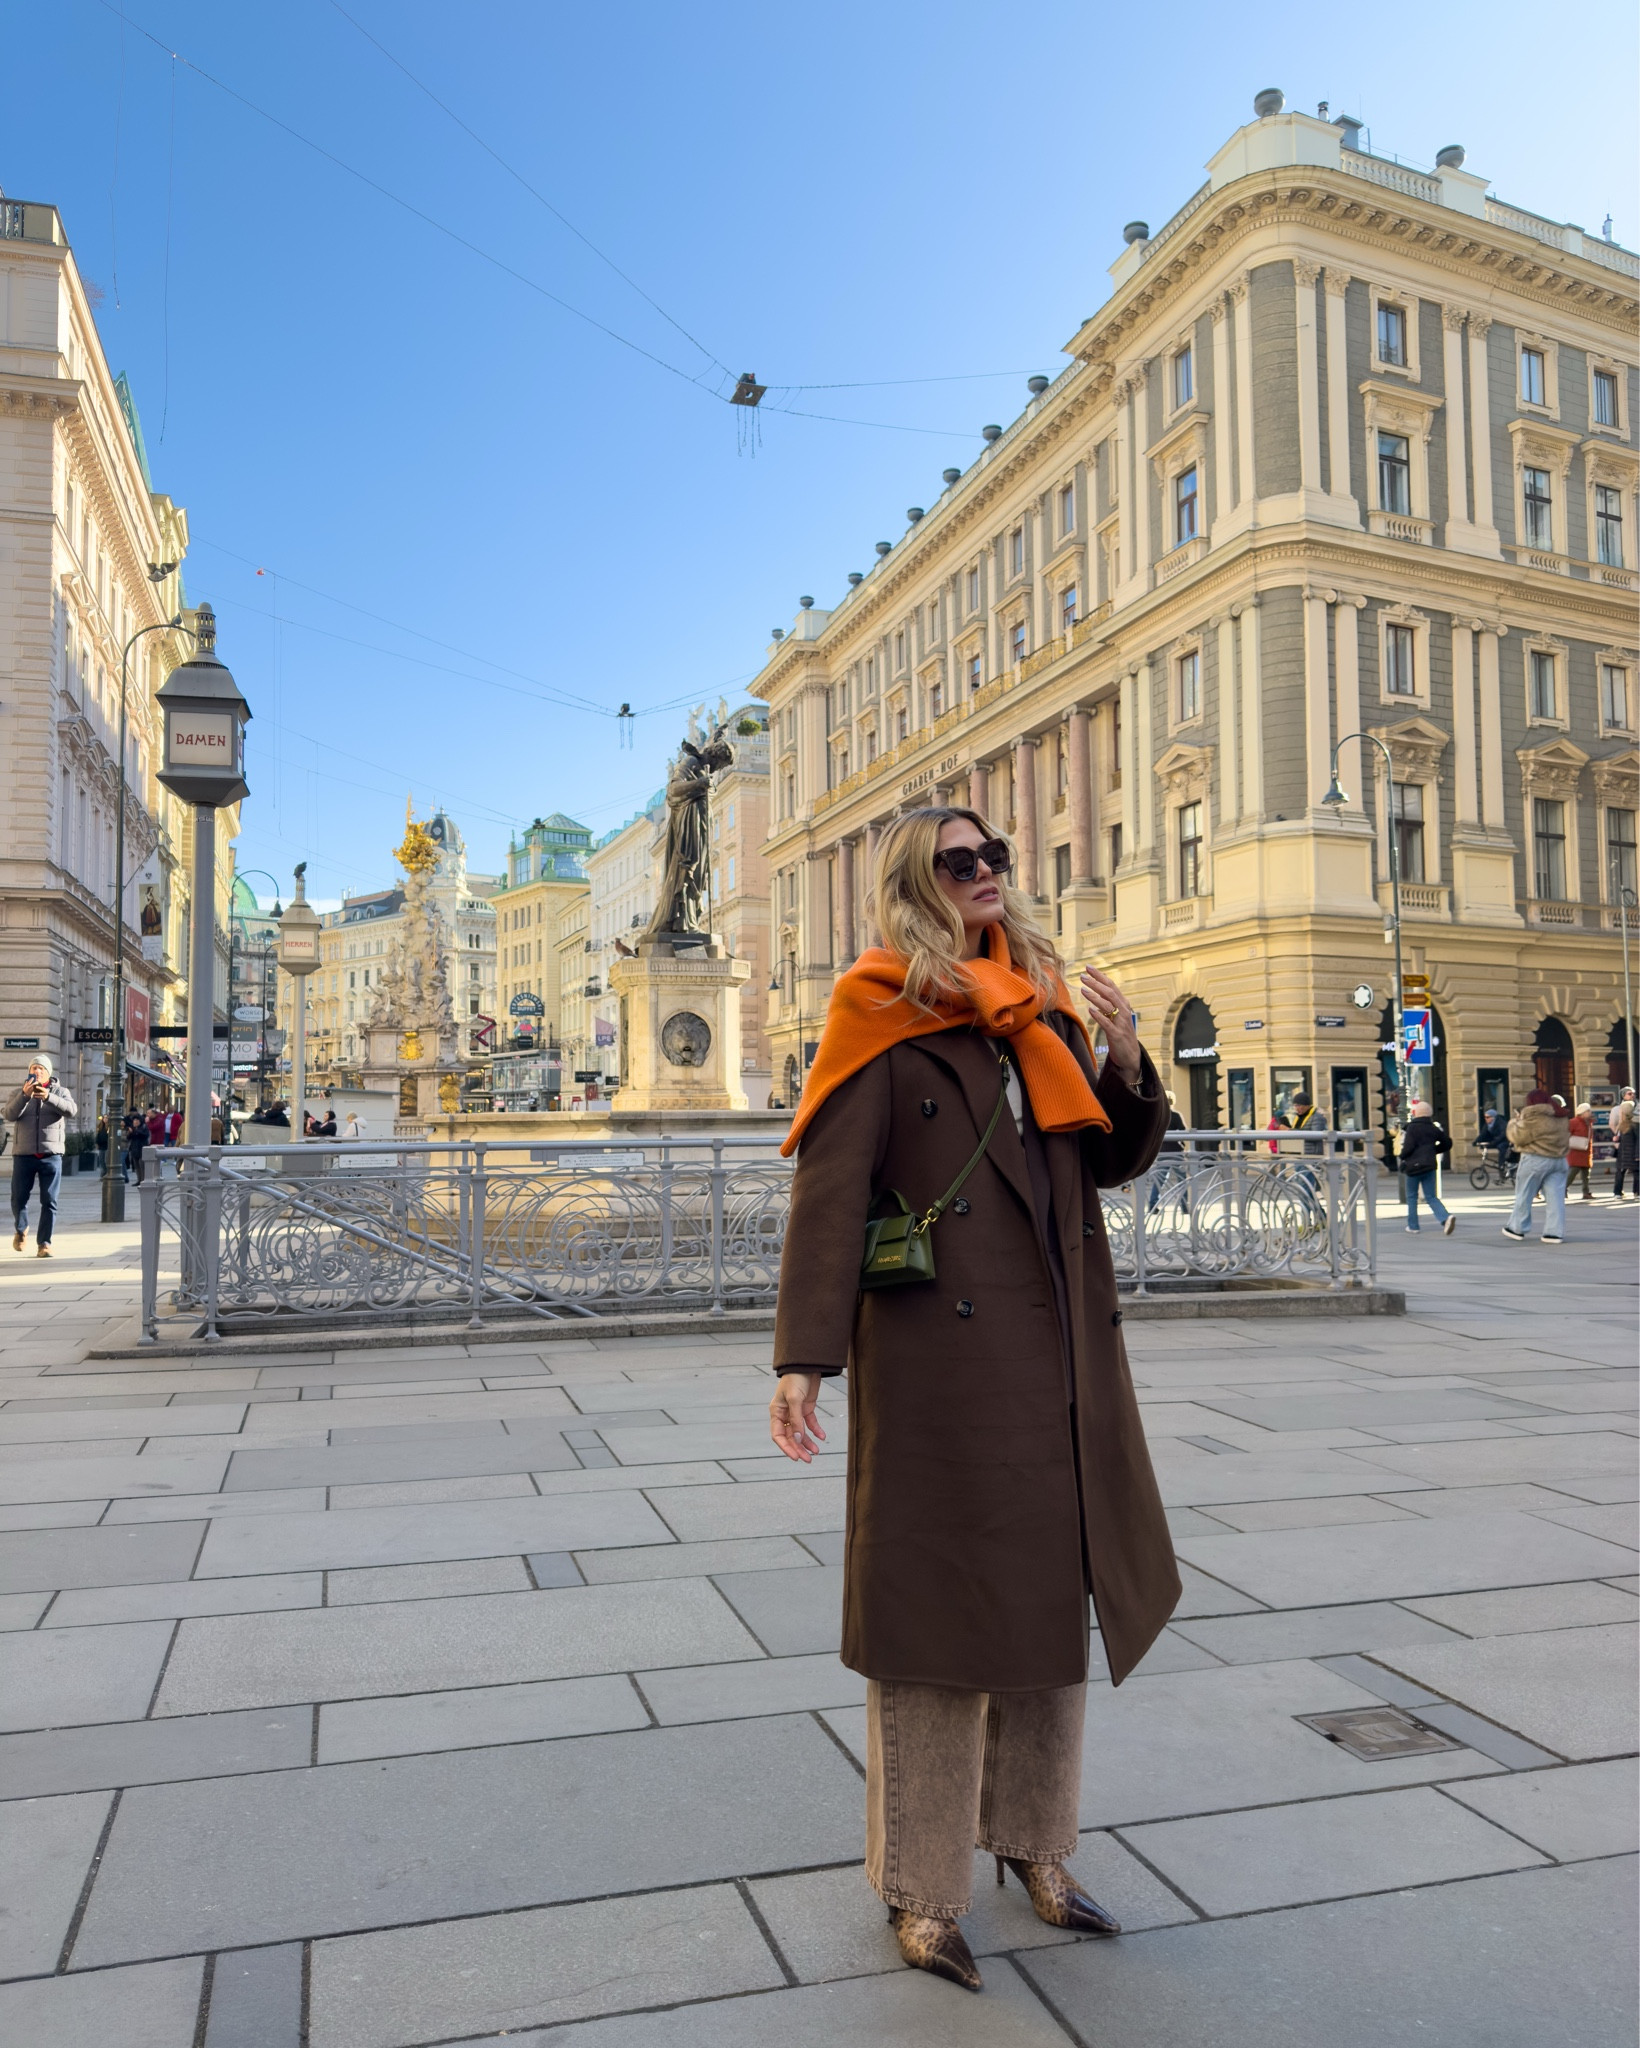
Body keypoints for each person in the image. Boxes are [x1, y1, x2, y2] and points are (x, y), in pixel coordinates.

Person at [769, 807, 1177, 1994]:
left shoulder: (1040, 1005)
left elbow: (1105, 1157)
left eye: (993, 854)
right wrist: (802, 1357)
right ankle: (924, 1886)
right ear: (917, 883)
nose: (987, 872)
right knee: (935, 1632)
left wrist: (1126, 1057)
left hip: (1056, 1353)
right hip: (938, 1363)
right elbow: (829, 1192)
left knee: (1050, 1619)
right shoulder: (876, 1010)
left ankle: (1038, 1849)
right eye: (960, 861)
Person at [6, 1056, 76, 1257]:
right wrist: (24, 1096)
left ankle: (44, 1243)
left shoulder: (60, 1092)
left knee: (50, 1200)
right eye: (34, 1068)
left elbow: (71, 1110)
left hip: (50, 1155)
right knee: (18, 1198)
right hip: (24, 1154)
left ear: (48, 1072)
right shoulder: (18, 1092)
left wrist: (47, 1097)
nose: (37, 1071)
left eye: (41, 1068)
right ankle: (21, 1228)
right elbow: (9, 1114)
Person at [1502, 1089, 1570, 1243]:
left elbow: (1518, 1137)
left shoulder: (1535, 1117)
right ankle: (1554, 1233)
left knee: (1524, 1194)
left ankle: (1517, 1228)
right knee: (1556, 1199)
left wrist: (1514, 1122)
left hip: (1536, 1159)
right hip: (1559, 1160)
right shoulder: (1561, 1116)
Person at [1399, 1099, 1455, 1233]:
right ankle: (1445, 1218)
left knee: (1412, 1196)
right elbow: (1447, 1143)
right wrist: (1434, 1150)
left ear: (1416, 1113)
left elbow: (1408, 1147)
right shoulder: (1433, 1127)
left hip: (1413, 1166)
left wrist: (1402, 1157)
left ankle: (1413, 1226)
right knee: (1431, 1196)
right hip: (1429, 1165)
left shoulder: (1412, 1127)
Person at [1567, 1103, 1595, 1201]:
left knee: (1586, 1174)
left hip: (1585, 1151)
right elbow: (1566, 1134)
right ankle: (1562, 1190)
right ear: (1582, 1113)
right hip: (1576, 1151)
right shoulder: (1573, 1122)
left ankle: (1586, 1192)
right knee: (1572, 1173)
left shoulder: (1588, 1123)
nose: (1590, 1113)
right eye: (1588, 1111)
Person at [1613, 1088, 1637, 1200]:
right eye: (1629, 1093)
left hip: (1623, 1151)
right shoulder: (1633, 1123)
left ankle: (1617, 1192)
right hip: (1630, 1151)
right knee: (1635, 1171)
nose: (1632, 1095)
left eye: (1633, 1093)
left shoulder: (1627, 1123)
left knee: (1621, 1170)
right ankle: (1636, 1192)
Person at [124, 1111, 148, 1186]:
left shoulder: (143, 1127)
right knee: (136, 1166)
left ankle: (143, 1180)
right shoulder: (132, 1129)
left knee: (142, 1165)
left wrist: (136, 1131)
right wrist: (130, 1132)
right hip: (134, 1149)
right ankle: (139, 1180)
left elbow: (145, 1135)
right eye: (134, 1121)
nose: (135, 1122)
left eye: (137, 1121)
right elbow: (128, 1138)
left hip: (142, 1149)